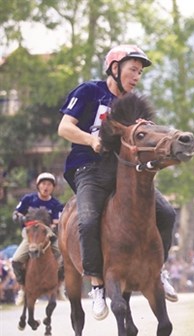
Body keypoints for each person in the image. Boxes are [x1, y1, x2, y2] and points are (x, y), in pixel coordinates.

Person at [58, 45, 178, 321]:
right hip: (87, 168)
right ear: (114, 68)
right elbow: (64, 127)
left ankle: (158, 271)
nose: (136, 76)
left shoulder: (133, 103)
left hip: (123, 171)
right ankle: (97, 286)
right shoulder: (88, 91)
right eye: (132, 69)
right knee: (87, 221)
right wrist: (90, 140)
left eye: (139, 72)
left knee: (168, 214)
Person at [11, 172, 64, 304]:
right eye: (43, 184)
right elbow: (16, 213)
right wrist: (20, 218)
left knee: (64, 259)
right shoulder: (28, 199)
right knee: (16, 260)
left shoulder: (56, 204)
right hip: (31, 236)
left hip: (47, 235)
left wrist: (52, 227)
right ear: (38, 186)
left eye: (49, 184)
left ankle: (60, 287)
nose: (46, 187)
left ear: (53, 187)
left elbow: (57, 222)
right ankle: (23, 289)